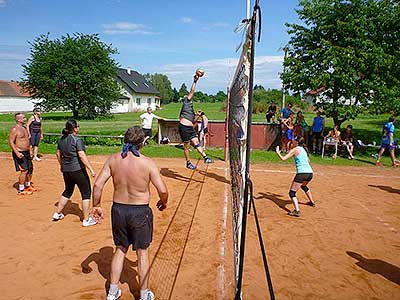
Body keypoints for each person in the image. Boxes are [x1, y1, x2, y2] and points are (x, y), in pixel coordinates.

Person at [90, 126, 168, 300]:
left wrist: (96, 205)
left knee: (120, 249)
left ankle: (112, 291)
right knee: (142, 252)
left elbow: (97, 185)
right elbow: (162, 190)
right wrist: (163, 202)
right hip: (140, 211)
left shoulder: (113, 159)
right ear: (143, 142)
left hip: (118, 210)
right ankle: (144, 293)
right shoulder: (147, 163)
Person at [52, 120, 97, 227]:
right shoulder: (77, 140)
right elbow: (81, 155)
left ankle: (57, 213)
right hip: (78, 170)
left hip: (66, 171)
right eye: (78, 126)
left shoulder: (61, 140)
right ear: (75, 128)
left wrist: (62, 165)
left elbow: (58, 154)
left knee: (68, 190)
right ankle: (86, 220)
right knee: (86, 192)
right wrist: (91, 169)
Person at [178, 71, 213, 169]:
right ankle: (188, 163)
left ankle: (205, 157)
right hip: (184, 127)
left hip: (190, 128)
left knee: (197, 143)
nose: (190, 98)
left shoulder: (191, 110)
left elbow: (193, 121)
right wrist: (195, 81)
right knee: (186, 146)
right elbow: (192, 91)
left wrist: (197, 115)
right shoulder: (186, 102)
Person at [275, 136, 315, 217]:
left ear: (297, 142)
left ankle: (297, 211)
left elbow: (283, 158)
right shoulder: (304, 149)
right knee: (303, 186)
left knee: (292, 193)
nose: (292, 140)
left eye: (294, 139)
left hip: (302, 174)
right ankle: (312, 202)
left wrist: (278, 152)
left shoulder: (295, 149)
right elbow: (308, 160)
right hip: (310, 173)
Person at [9, 112, 37, 195]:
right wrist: (17, 152)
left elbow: (27, 140)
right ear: (18, 119)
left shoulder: (24, 128)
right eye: (23, 118)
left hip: (27, 152)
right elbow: (11, 142)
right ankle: (21, 189)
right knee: (24, 170)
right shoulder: (15, 129)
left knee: (30, 169)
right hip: (20, 152)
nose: (25, 119)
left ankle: (28, 185)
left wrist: (30, 150)